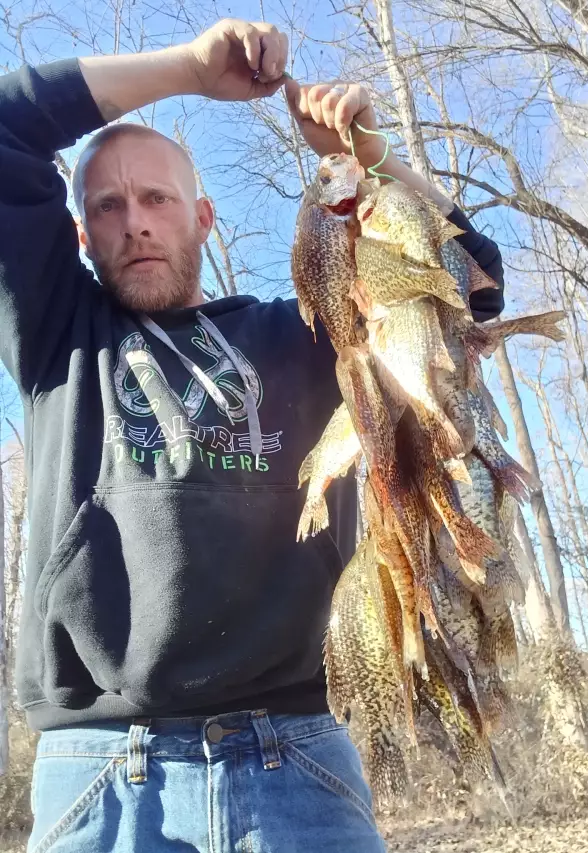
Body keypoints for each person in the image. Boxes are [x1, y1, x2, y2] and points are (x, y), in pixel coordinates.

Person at [0, 17, 504, 853]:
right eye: (109, 206)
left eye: (157, 198)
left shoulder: (314, 336)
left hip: (298, 758)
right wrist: (189, 71)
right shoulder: (59, 334)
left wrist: (370, 156)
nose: (136, 223)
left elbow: (470, 294)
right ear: (80, 235)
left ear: (202, 216)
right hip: (102, 772)